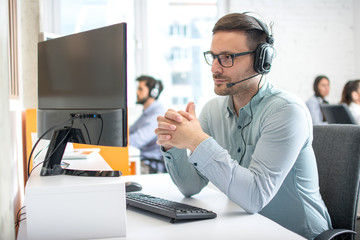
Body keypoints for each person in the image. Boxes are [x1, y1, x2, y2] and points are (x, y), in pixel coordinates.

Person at [155, 13, 331, 239]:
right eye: (213, 56)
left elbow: (255, 198)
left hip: (298, 233)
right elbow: (190, 187)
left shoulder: (287, 111)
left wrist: (197, 141)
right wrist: (174, 143)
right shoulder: (212, 110)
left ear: (261, 60)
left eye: (227, 57)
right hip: (249, 229)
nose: (215, 69)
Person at [129, 75, 166, 174]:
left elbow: (137, 140)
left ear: (153, 93)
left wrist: (115, 143)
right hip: (141, 160)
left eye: (140, 89)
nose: (137, 93)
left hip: (150, 165)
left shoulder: (157, 115)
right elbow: (129, 131)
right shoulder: (147, 113)